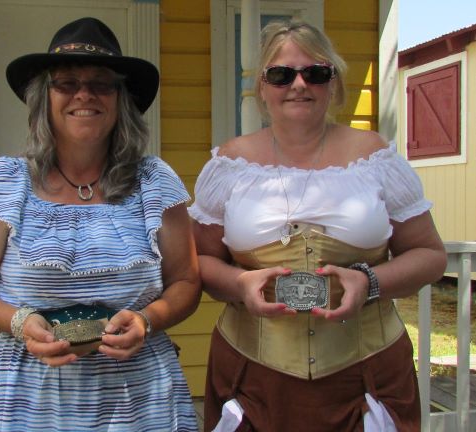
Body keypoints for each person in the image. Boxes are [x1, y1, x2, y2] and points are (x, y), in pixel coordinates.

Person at [0, 17, 201, 432]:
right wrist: (20, 321)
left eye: (101, 84)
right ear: (44, 98)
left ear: (121, 99)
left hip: (139, 399)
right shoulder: (4, 184)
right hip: (29, 400)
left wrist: (147, 320)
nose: (84, 94)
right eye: (66, 83)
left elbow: (186, 282)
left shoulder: (154, 182)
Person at [189, 20, 447, 432]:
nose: (298, 84)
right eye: (281, 74)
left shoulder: (376, 159)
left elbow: (430, 255)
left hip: (366, 372)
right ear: (262, 87)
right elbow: (199, 261)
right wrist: (239, 284)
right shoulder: (229, 166)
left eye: (315, 72)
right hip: (253, 375)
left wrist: (370, 282)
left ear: (333, 82)